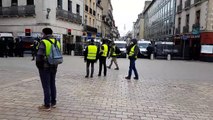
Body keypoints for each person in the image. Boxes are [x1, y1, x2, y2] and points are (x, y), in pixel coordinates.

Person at [36, 28, 61, 111]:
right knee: (52, 83)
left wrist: (39, 65)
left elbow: (39, 56)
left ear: (45, 34)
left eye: (42, 33)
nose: (42, 34)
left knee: (46, 85)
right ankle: (53, 102)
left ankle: (47, 105)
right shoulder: (57, 41)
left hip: (45, 66)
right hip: (54, 65)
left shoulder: (44, 42)